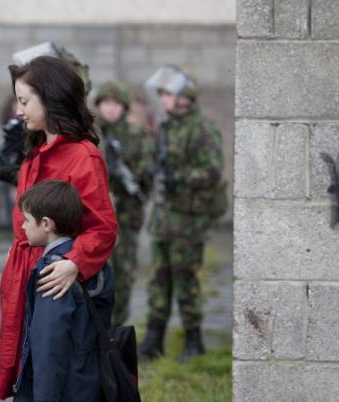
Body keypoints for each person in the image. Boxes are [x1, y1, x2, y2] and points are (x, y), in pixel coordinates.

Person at [0, 56, 118, 399]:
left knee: (57, 375)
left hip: (57, 286)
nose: (19, 111)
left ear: (51, 97)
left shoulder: (82, 156)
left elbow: (103, 228)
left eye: (25, 101)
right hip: (27, 275)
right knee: (27, 372)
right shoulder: (35, 153)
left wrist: (75, 263)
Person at [139, 64, 225, 360]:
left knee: (186, 281)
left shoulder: (201, 128)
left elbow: (212, 171)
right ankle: (153, 340)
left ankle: (193, 340)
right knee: (158, 280)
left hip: (188, 220)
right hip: (164, 218)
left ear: (183, 96)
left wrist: (181, 177)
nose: (162, 98)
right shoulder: (165, 127)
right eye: (161, 93)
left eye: (167, 93)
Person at [13, 180, 114, 402]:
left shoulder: (53, 273)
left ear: (47, 224)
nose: (22, 226)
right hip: (88, 381)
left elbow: (49, 346)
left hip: (64, 389)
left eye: (27, 220)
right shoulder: (93, 264)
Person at [94, 80, 154, 327]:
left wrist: (130, 173)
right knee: (96, 274)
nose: (111, 109)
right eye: (106, 103)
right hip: (97, 218)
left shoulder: (136, 136)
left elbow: (146, 177)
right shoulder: (91, 134)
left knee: (124, 274)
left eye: (116, 104)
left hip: (126, 217)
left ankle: (117, 328)